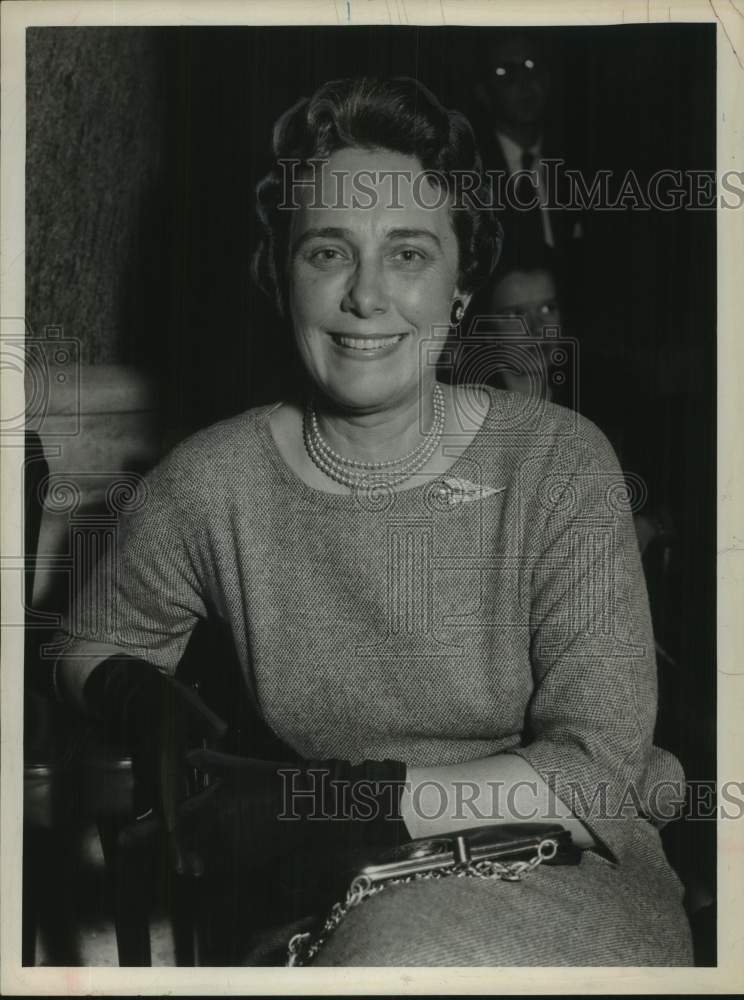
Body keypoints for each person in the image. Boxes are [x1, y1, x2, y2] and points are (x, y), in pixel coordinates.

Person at [53, 76, 693, 966]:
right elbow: (89, 638)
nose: (365, 296)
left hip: (568, 871)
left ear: (463, 281)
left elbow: (596, 770)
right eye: (327, 252)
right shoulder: (210, 482)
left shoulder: (556, 461)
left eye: (408, 254)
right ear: (281, 274)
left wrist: (335, 806)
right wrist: (139, 698)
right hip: (330, 885)